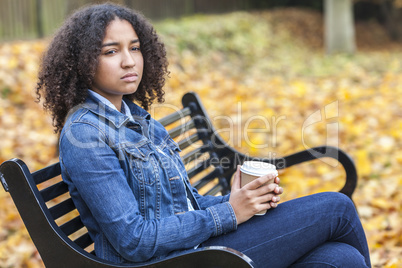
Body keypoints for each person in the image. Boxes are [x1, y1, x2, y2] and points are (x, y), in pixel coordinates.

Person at [36, 3, 371, 267]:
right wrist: (230, 213)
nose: (129, 62)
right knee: (337, 208)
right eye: (111, 51)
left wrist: (239, 200)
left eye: (135, 48)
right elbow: (133, 240)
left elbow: (185, 204)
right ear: (81, 63)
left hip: (193, 251)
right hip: (168, 263)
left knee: (342, 260)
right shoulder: (84, 135)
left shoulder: (140, 120)